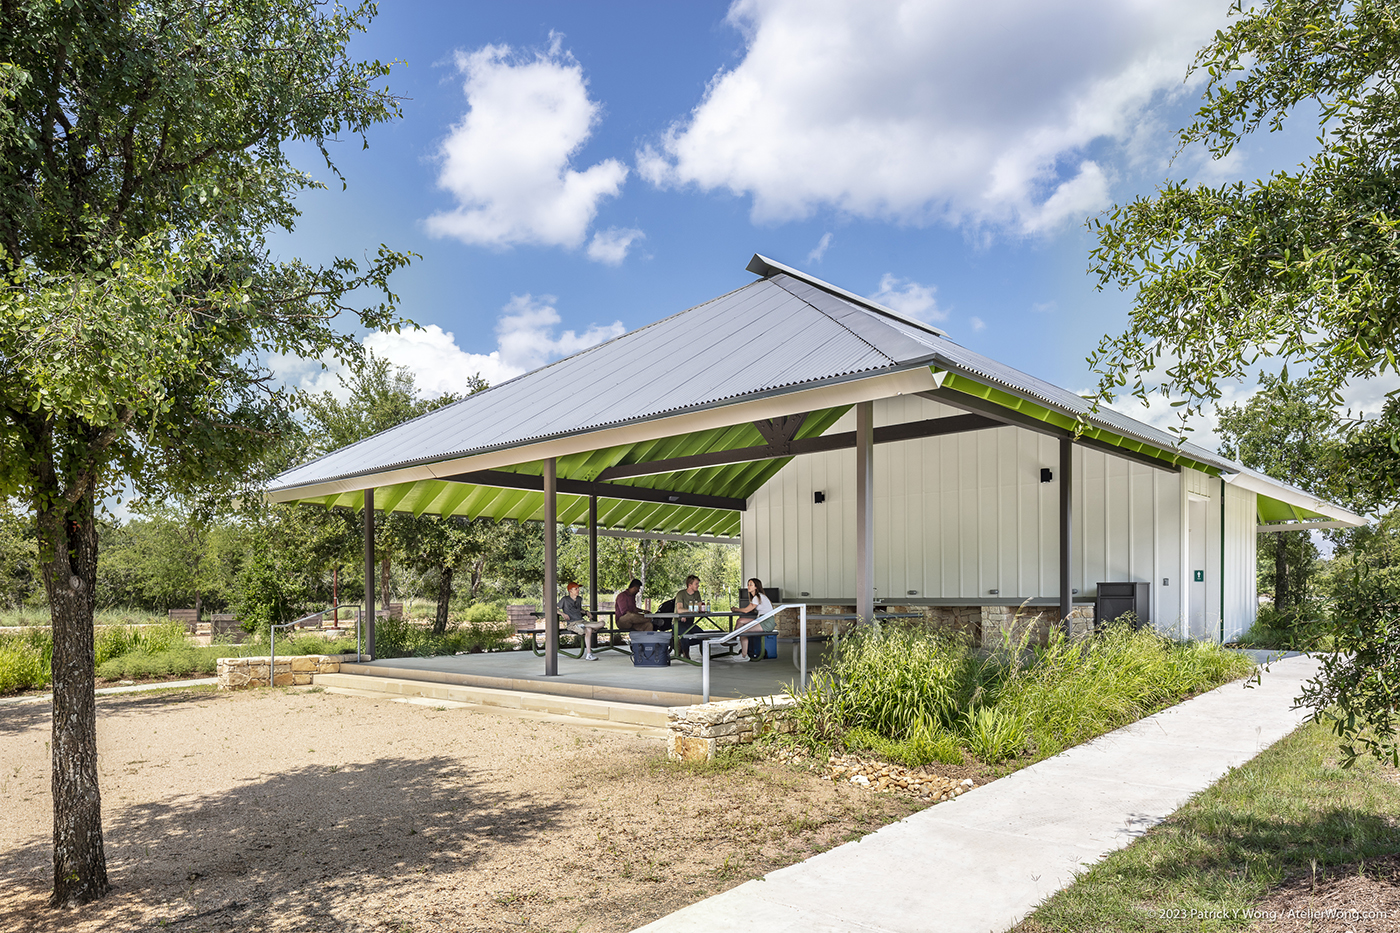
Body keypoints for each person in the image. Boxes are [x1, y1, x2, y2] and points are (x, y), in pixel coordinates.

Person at [558, 581, 604, 661]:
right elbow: (554, 608)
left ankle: (589, 654)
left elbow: (579, 610)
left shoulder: (579, 599)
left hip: (582, 622)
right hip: (572, 623)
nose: (578, 590)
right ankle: (589, 653)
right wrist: (562, 613)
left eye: (578, 588)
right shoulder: (565, 599)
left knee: (602, 623)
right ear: (570, 591)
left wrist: (587, 612)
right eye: (576, 589)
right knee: (589, 629)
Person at [730, 578, 773, 662]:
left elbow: (746, 610)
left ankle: (744, 655)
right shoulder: (757, 597)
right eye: (748, 584)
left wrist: (735, 609)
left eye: (751, 584)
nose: (748, 586)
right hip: (761, 619)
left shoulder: (758, 597)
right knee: (740, 620)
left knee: (742, 631)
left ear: (756, 587)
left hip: (766, 622)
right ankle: (733, 639)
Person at [674, 575, 704, 659]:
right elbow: (679, 610)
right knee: (685, 635)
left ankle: (682, 644)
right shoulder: (681, 594)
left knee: (703, 636)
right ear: (690, 585)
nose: (698, 585)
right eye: (696, 584)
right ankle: (686, 653)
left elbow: (700, 606)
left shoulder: (697, 593)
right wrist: (690, 611)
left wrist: (687, 611)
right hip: (678, 622)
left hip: (689, 622)